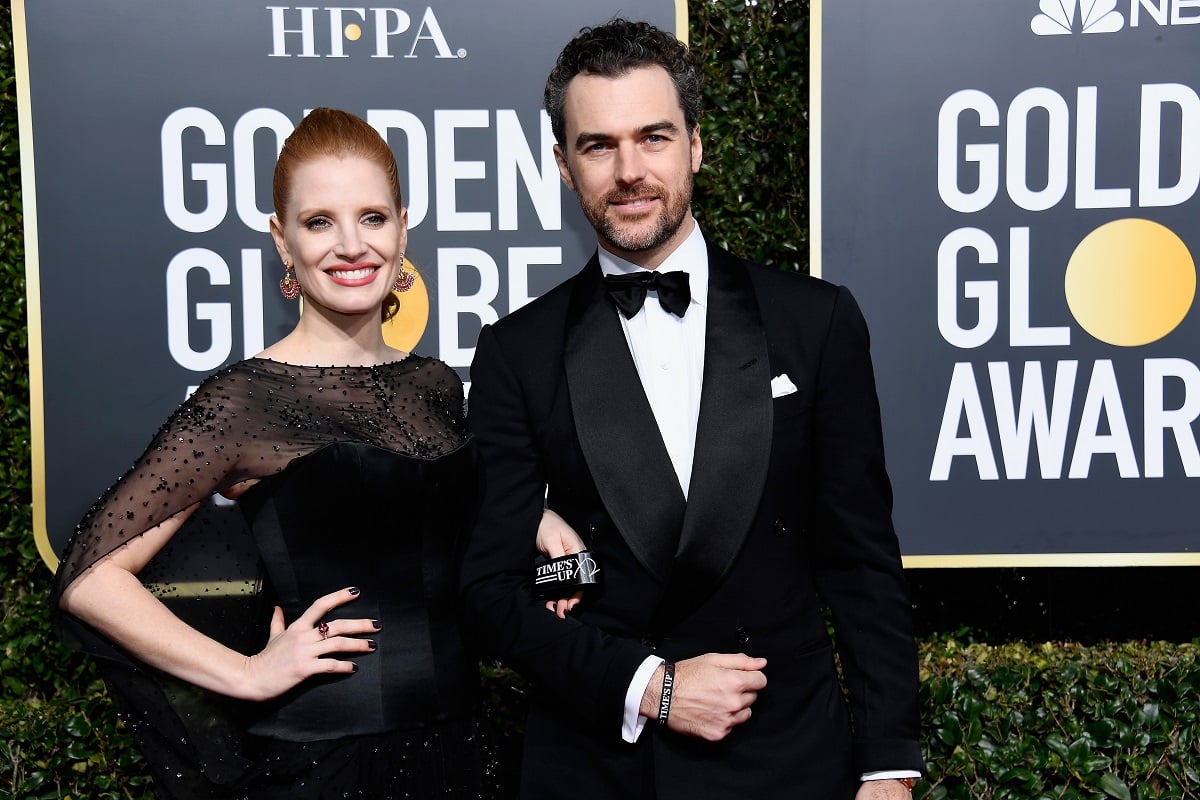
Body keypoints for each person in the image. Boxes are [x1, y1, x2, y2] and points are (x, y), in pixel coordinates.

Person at [51, 107, 579, 800]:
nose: (351, 245)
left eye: (372, 218)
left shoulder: (436, 383)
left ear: (402, 227)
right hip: (326, 767)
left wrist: (531, 520)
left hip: (462, 752)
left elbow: (432, 542)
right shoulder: (245, 399)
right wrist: (245, 674)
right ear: (282, 239)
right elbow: (89, 580)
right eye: (319, 222)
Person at [461, 19, 925, 800]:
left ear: (697, 146)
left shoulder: (815, 324)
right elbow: (488, 594)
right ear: (563, 167)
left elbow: (861, 561)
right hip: (601, 765)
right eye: (598, 145)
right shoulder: (517, 351)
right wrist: (651, 685)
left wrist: (888, 769)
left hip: (786, 761)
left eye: (654, 137)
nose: (630, 170)